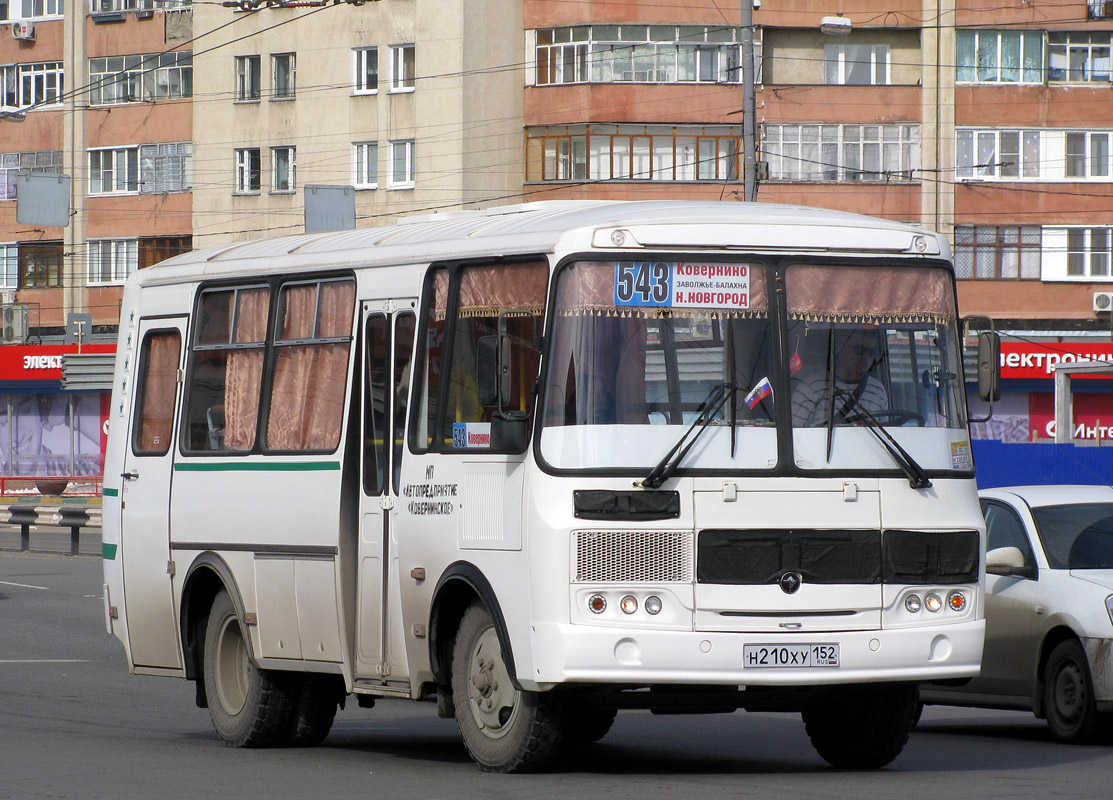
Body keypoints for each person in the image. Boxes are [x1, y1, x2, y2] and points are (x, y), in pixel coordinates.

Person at [791, 327, 888, 427]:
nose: (865, 357)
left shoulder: (878, 390)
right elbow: (794, 434)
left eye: (870, 351)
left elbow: (885, 431)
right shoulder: (811, 387)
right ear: (840, 349)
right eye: (859, 350)